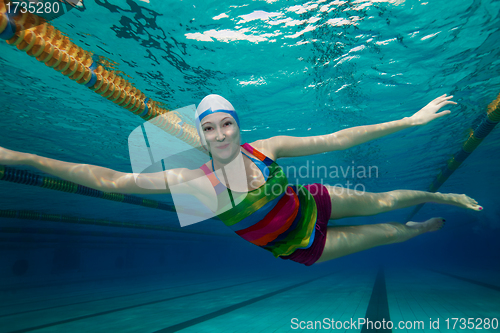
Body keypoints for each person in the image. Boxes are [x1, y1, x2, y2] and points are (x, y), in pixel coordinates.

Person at [0, 94, 482, 266]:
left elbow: (339, 138)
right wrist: (19, 156)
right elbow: (108, 180)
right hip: (297, 245)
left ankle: (442, 194)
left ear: (238, 126)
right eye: (208, 128)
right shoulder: (195, 182)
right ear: (203, 137)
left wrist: (409, 122)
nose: (220, 133)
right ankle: (417, 228)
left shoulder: (266, 148)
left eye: (225, 123)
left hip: (313, 202)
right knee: (391, 233)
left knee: (382, 200)